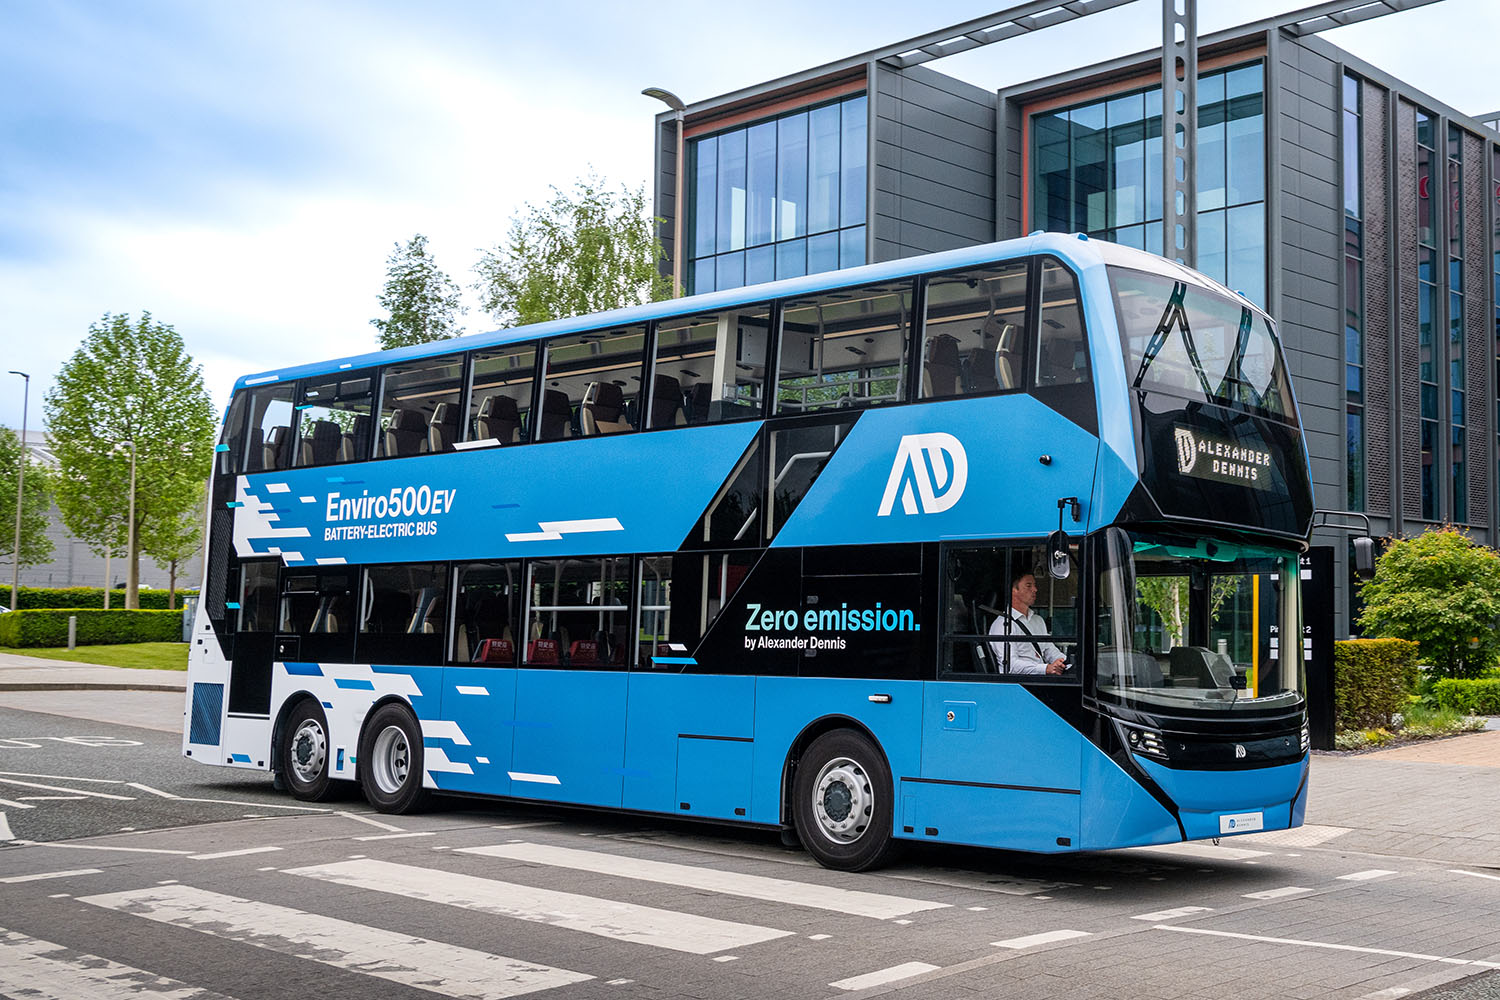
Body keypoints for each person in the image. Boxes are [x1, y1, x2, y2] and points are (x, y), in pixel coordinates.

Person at [988, 571, 1067, 675]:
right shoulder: (1002, 625)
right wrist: (1045, 669)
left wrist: (1063, 662)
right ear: (1014, 590)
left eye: (1034, 585)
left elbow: (1050, 650)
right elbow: (1010, 666)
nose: (1035, 590)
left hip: (1041, 679)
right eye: (1028, 586)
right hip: (1020, 684)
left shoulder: (1038, 620)